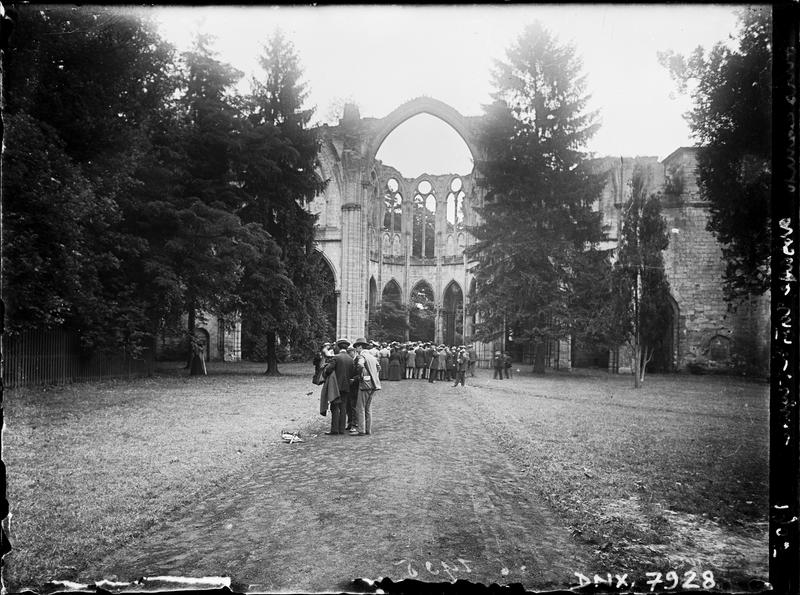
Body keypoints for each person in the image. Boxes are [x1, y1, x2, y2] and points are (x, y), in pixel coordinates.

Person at [323, 339, 355, 434]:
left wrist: (325, 370)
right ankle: (341, 429)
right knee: (343, 407)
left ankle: (334, 429)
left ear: (339, 347)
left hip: (336, 386)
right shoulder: (350, 359)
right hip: (347, 386)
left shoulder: (336, 357)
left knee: (334, 407)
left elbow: (328, 370)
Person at [352, 337, 381, 435]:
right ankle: (368, 429)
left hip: (365, 385)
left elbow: (360, 365)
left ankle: (361, 430)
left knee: (360, 408)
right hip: (373, 384)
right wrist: (373, 375)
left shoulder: (361, 356)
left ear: (360, 346)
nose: (356, 349)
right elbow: (378, 367)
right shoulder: (372, 357)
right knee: (368, 408)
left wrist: (362, 375)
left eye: (356, 347)